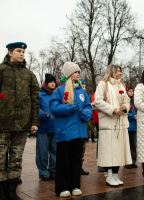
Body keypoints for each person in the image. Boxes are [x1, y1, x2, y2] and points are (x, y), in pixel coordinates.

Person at [0, 42, 39, 200]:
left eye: (23, 51)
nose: (22, 54)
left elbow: (35, 100)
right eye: (18, 51)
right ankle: (2, 193)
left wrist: (34, 122)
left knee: (16, 159)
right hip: (2, 123)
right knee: (0, 158)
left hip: (22, 124)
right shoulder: (1, 70)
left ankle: (11, 192)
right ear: (10, 53)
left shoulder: (29, 74)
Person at [50, 62, 92, 197]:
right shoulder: (59, 91)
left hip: (79, 132)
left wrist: (86, 113)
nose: (78, 73)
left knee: (76, 160)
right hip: (65, 131)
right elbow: (54, 108)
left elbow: (88, 106)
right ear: (68, 74)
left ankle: (75, 186)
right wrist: (70, 108)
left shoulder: (81, 91)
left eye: (79, 72)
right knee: (64, 161)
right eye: (75, 71)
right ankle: (62, 187)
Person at [94, 64, 132, 187]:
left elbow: (127, 100)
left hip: (120, 122)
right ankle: (109, 175)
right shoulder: (103, 84)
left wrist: (125, 106)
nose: (120, 73)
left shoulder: (121, 85)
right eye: (118, 71)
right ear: (112, 71)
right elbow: (98, 101)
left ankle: (115, 174)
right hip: (109, 121)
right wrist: (113, 109)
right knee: (109, 151)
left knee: (118, 150)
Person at [36, 74, 58, 181]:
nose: (53, 83)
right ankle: (43, 172)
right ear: (46, 83)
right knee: (42, 151)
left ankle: (53, 170)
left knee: (55, 151)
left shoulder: (57, 94)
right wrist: (43, 115)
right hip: (43, 127)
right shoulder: (40, 95)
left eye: (54, 82)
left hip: (55, 127)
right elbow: (36, 108)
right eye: (51, 82)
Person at [125, 86, 138, 169]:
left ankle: (133, 161)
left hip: (134, 127)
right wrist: (133, 116)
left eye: (132, 91)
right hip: (128, 126)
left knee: (133, 145)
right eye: (129, 91)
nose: (131, 92)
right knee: (127, 145)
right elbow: (125, 113)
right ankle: (127, 162)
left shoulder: (134, 102)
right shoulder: (125, 101)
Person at [80, 80, 91, 175]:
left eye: (84, 86)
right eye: (82, 86)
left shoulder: (86, 97)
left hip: (84, 125)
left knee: (83, 147)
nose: (84, 88)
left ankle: (80, 165)